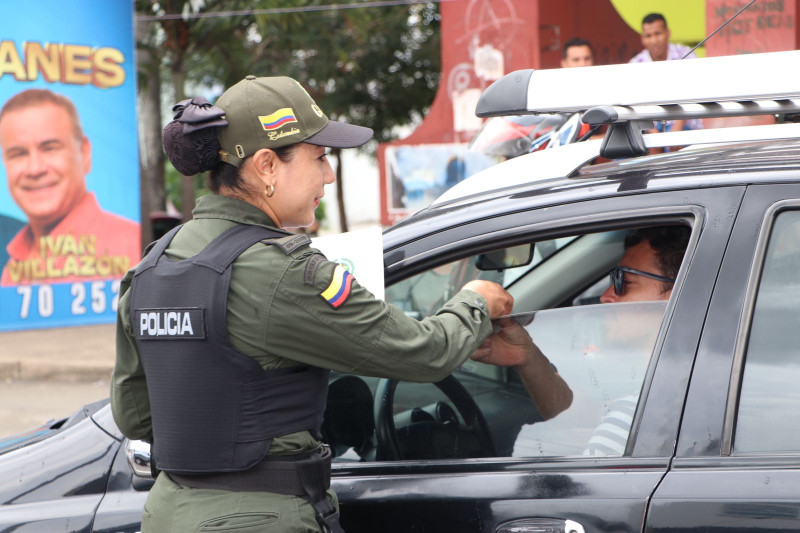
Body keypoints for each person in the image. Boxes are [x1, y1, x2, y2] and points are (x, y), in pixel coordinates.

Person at [111, 75, 515, 533]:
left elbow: (134, 415)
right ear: (266, 166)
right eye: (320, 157)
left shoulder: (153, 264)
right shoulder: (281, 271)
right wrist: (474, 302)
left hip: (167, 514)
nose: (329, 174)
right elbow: (423, 353)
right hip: (259, 519)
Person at [0, 89, 140, 286]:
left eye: (49, 148)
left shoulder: (131, 246)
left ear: (84, 153)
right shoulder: (13, 268)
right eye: (18, 153)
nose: (35, 169)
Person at [584, 225, 690, 455]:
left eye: (624, 282)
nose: (605, 296)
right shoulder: (697, 391)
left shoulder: (635, 420)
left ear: (675, 297)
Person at [629, 13, 702, 133]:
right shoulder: (635, 64)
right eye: (648, 36)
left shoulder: (686, 55)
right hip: (650, 126)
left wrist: (676, 129)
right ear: (642, 39)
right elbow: (635, 105)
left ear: (667, 33)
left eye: (658, 34)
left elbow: (692, 93)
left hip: (685, 124)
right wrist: (652, 133)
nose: (654, 40)